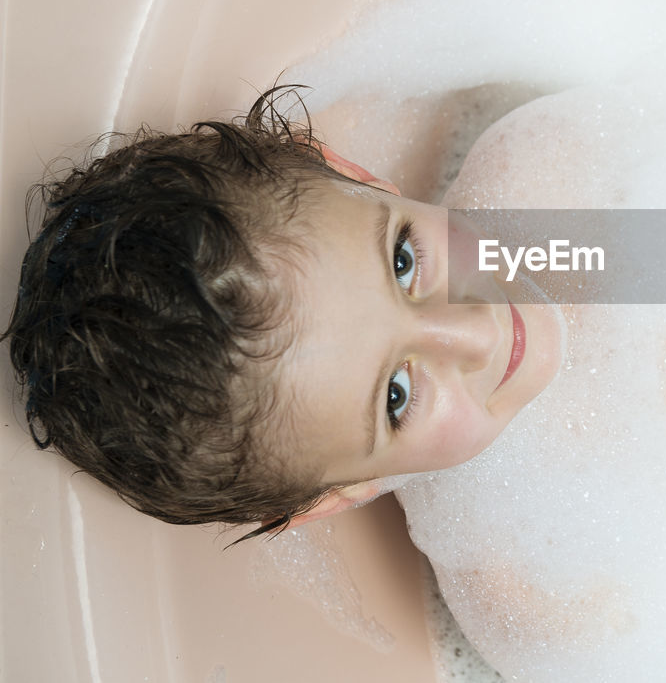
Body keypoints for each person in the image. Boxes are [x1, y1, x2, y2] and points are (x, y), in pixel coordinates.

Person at [2, 84, 563, 542]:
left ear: (353, 172)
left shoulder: (551, 160)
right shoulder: (538, 585)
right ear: (334, 499)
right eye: (395, 395)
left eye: (403, 259)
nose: (476, 332)